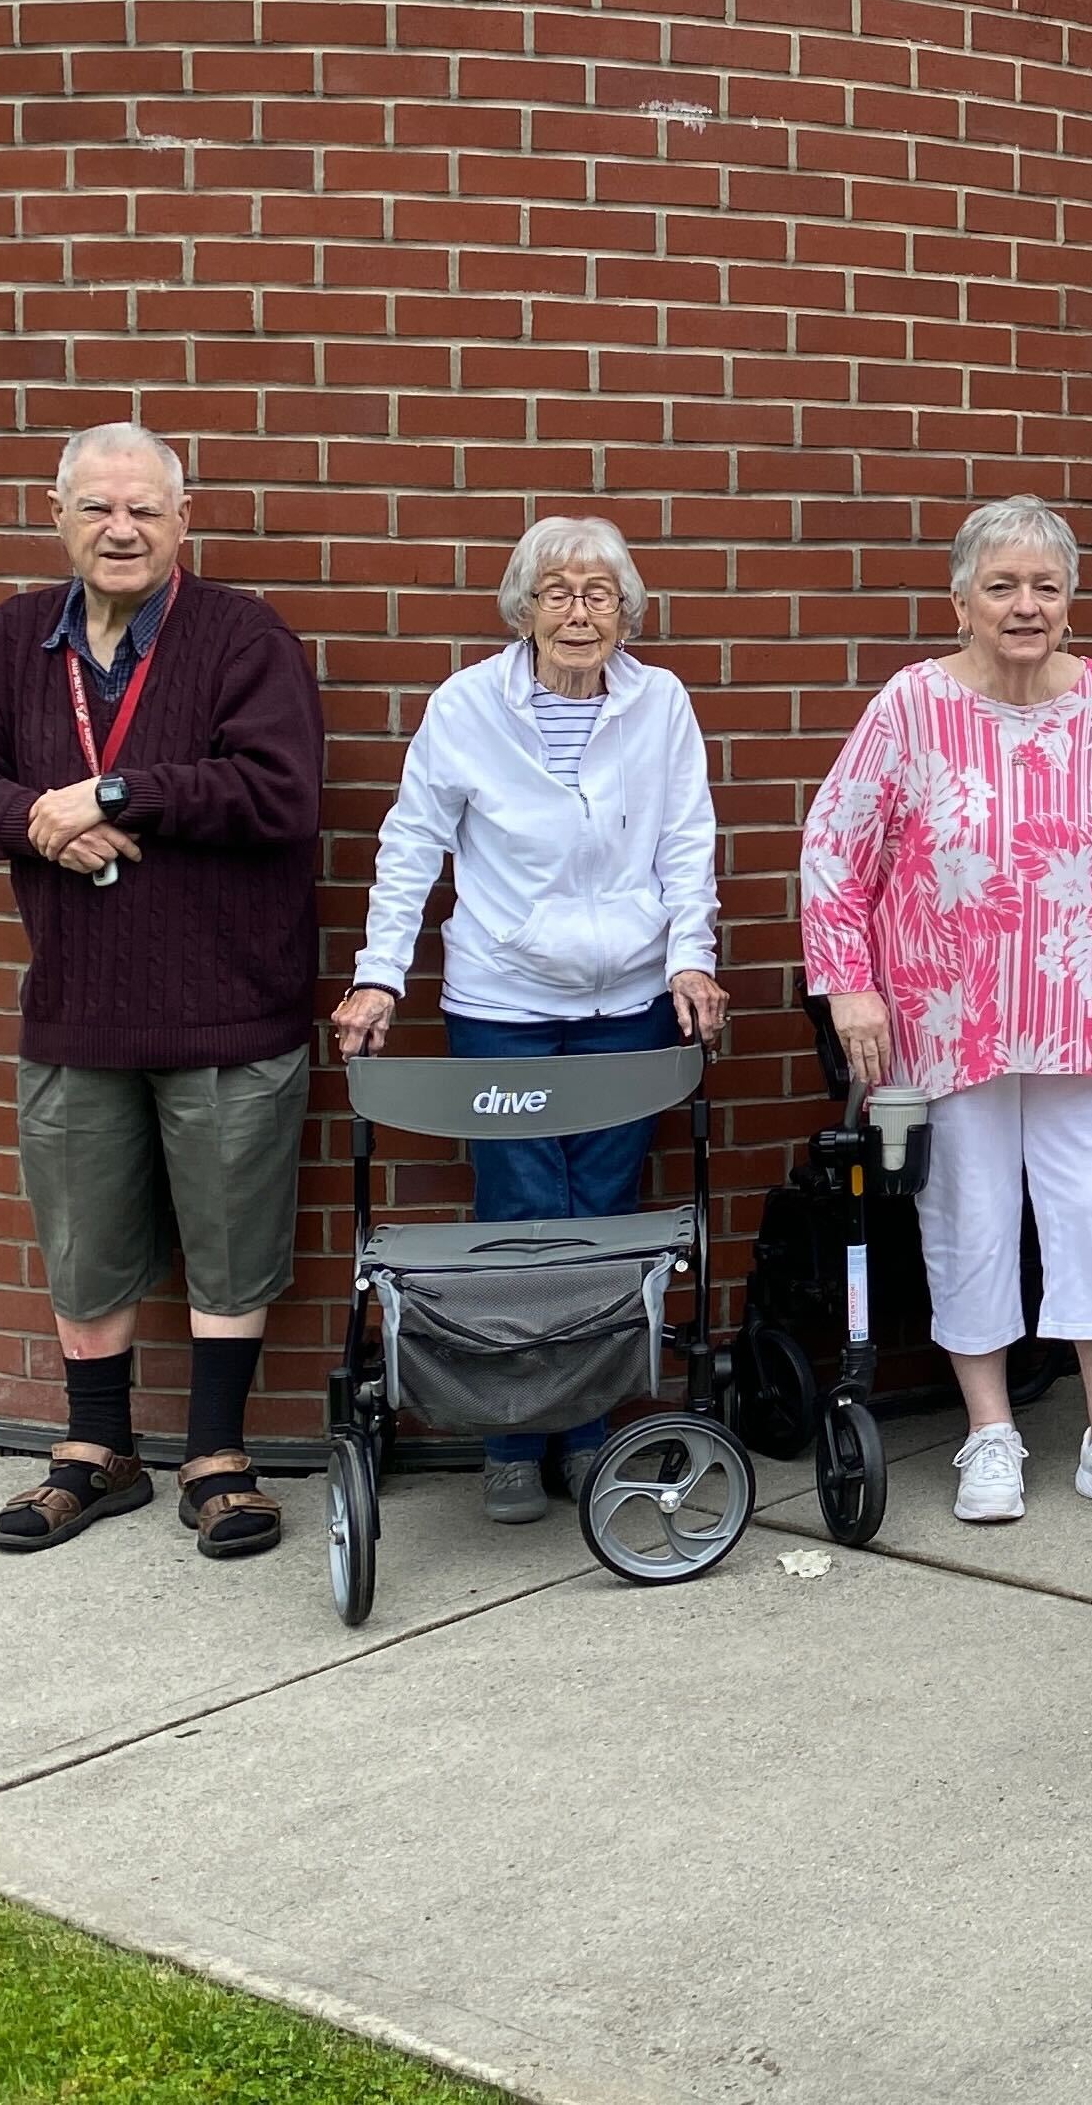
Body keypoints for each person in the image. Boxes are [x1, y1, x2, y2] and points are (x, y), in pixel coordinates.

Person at [0, 423, 321, 1561]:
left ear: (184, 522)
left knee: (231, 1246)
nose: (121, 528)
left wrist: (115, 791)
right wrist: (39, 828)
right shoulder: (9, 643)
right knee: (86, 1244)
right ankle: (97, 1452)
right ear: (57, 517)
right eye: (96, 508)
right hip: (79, 1012)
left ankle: (216, 1457)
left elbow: (278, 790)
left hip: (230, 1009)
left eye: (143, 508)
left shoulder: (242, 637)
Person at [799, 499, 1092, 1528]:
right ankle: (990, 1434)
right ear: (960, 600)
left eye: (1046, 586)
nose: (1026, 605)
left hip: (1073, 1003)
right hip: (941, 1008)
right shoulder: (910, 704)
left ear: (1071, 601)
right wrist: (847, 980)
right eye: (1003, 586)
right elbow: (833, 847)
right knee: (967, 1212)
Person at [330, 517, 726, 1525]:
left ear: (626, 610)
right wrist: (380, 975)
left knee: (601, 1219)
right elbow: (411, 844)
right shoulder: (468, 705)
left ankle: (588, 1432)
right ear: (523, 607)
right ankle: (511, 1439)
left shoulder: (660, 701)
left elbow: (686, 843)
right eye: (557, 590)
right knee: (516, 1218)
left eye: (600, 591)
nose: (580, 609)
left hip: (627, 1001)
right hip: (503, 1001)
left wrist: (691, 958)